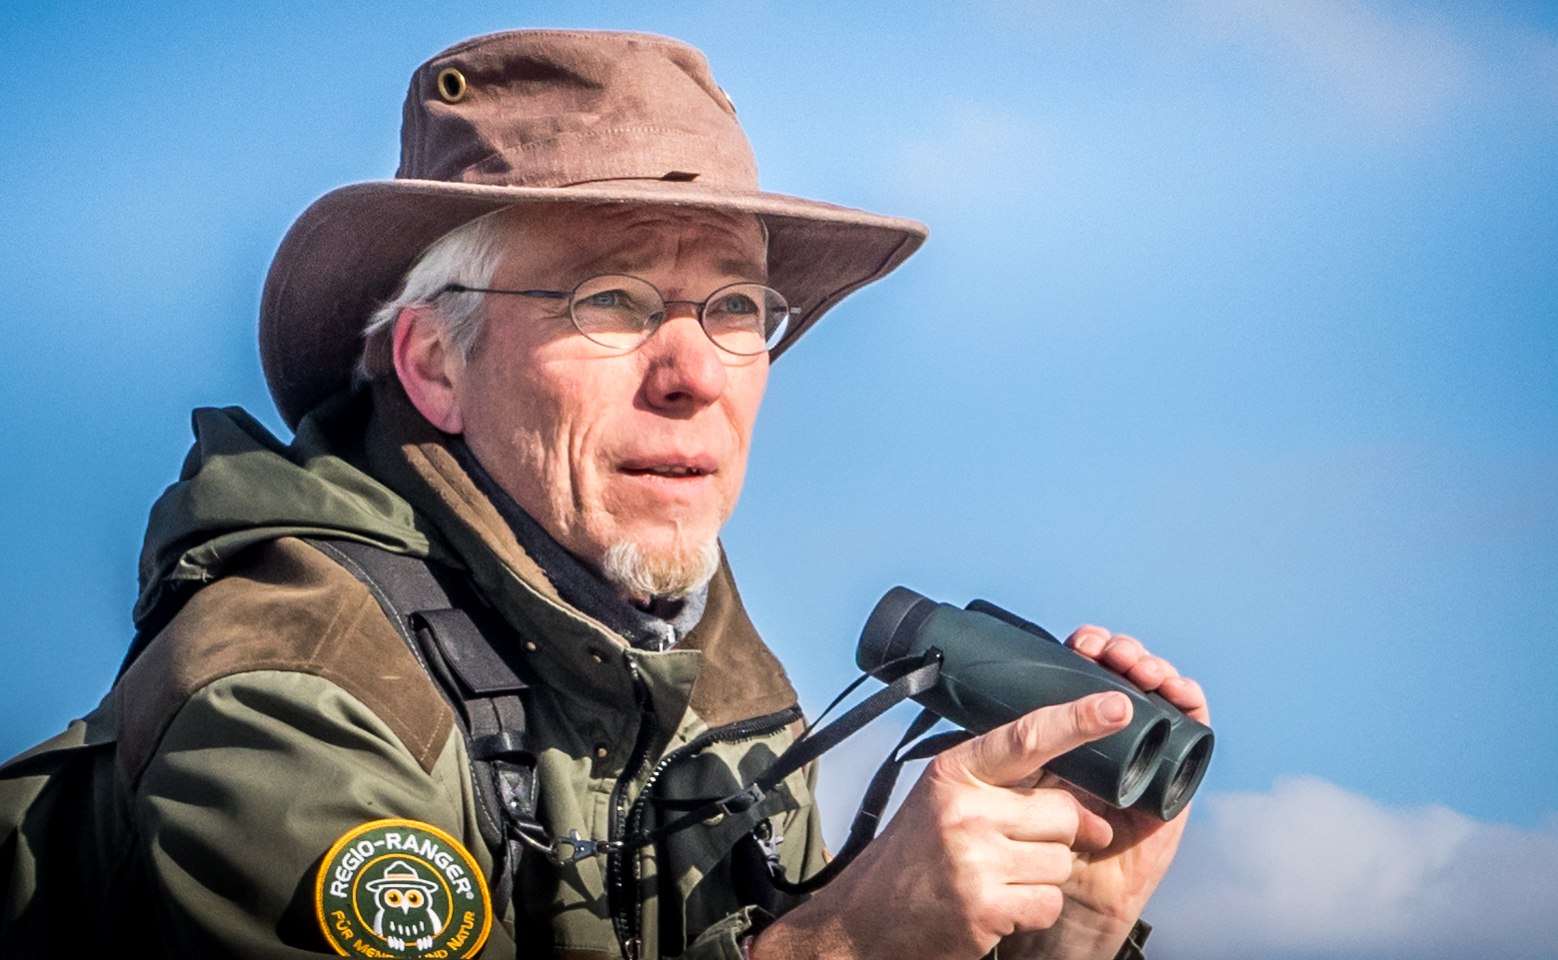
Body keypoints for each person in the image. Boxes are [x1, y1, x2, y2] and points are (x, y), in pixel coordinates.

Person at [1, 29, 1207, 960]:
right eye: (612, 303)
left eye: (736, 309)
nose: (693, 377)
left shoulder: (717, 693)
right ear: (433, 364)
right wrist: (845, 940)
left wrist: (1069, 931)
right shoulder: (296, 689)